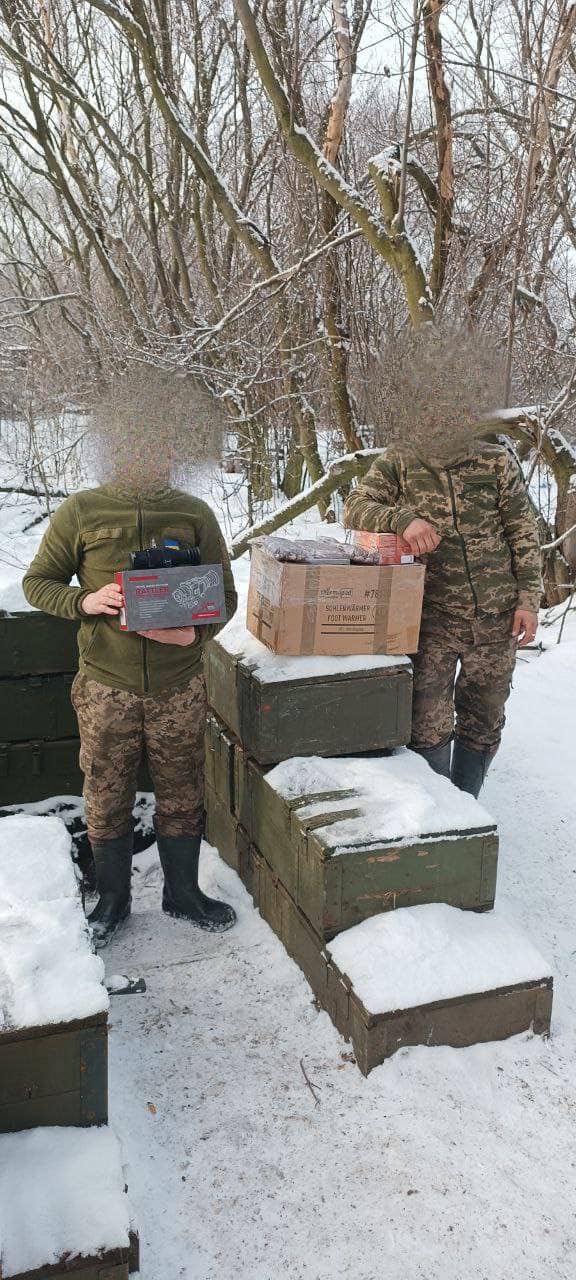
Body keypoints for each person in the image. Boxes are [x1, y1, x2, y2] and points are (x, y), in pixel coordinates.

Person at [23, 471, 238, 947]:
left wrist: (194, 635)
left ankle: (183, 893)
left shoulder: (193, 511)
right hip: (106, 686)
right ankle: (113, 900)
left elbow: (224, 596)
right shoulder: (82, 510)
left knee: (183, 792)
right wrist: (86, 599)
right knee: (105, 793)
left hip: (178, 686)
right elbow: (36, 583)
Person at [344, 437, 541, 796]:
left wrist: (528, 600)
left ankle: (467, 806)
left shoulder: (495, 461)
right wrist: (402, 519)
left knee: (484, 719)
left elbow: (522, 531)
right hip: (430, 617)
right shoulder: (401, 460)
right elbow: (355, 506)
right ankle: (439, 813)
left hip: (496, 617)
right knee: (426, 723)